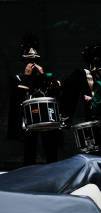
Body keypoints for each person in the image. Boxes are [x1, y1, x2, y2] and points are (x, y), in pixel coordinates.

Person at [9, 37, 62, 166]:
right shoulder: (17, 77)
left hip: (45, 116)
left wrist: (43, 75)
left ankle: (54, 171)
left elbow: (55, 91)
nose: (32, 63)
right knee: (29, 149)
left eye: (34, 60)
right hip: (28, 117)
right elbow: (18, 96)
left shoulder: (44, 75)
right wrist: (27, 76)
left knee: (50, 148)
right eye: (29, 60)